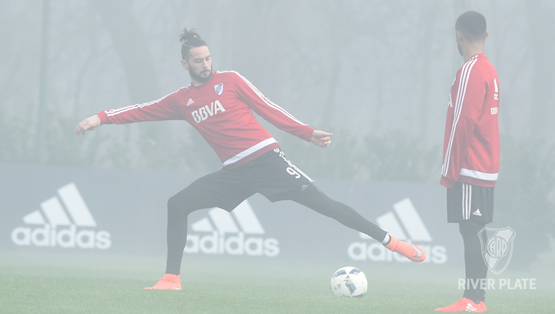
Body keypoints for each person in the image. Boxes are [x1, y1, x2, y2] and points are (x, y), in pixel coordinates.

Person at [75, 28, 426, 290]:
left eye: (208, 58)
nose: (205, 65)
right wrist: (100, 117)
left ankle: (391, 241)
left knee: (327, 205)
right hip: (233, 173)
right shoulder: (182, 100)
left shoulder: (231, 80)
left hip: (267, 161)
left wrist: (307, 132)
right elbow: (141, 110)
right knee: (177, 204)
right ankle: (171, 278)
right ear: (184, 64)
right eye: (198, 61)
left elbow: (268, 107)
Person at [434, 11, 500, 313]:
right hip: (485, 165)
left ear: (458, 34)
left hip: (469, 165)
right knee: (477, 229)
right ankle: (478, 300)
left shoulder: (470, 71)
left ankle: (471, 300)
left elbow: (463, 122)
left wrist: (449, 170)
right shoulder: (489, 69)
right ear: (485, 35)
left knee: (470, 230)